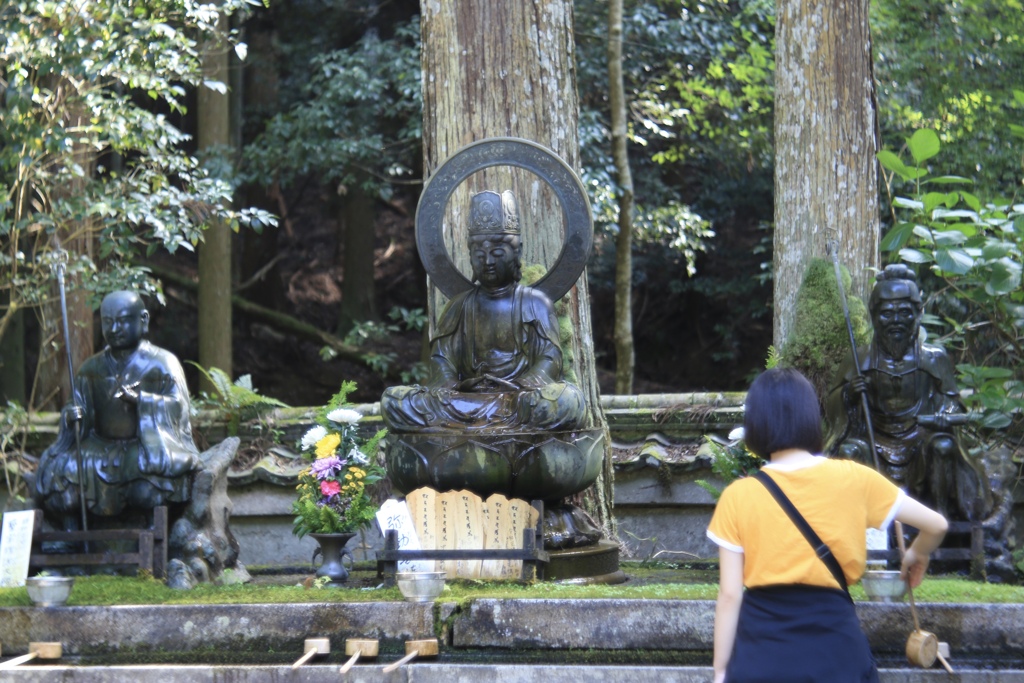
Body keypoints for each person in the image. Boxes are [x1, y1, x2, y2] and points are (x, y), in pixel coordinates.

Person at [708, 367, 948, 683]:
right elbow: (937, 525)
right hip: (836, 651)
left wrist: (721, 670)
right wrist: (917, 554)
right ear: (810, 417)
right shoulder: (855, 479)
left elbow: (729, 595)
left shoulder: (738, 496)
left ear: (756, 423)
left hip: (762, 654)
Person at [381, 189, 586, 432]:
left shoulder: (535, 302)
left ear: (516, 252)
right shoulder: (461, 305)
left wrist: (521, 385)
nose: (487, 261)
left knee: (566, 401)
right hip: (466, 401)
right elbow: (441, 359)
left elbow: (550, 358)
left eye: (497, 253)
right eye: (479, 255)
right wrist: (451, 385)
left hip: (519, 400)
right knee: (395, 400)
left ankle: (473, 427)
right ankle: (485, 425)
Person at [824, 264, 988, 519]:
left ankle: (939, 521)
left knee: (944, 446)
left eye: (905, 313)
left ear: (918, 314)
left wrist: (945, 414)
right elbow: (833, 405)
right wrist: (849, 395)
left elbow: (952, 402)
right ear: (874, 315)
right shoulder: (859, 359)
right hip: (874, 439)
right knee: (849, 452)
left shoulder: (934, 359)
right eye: (887, 314)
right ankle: (860, 524)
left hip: (920, 438)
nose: (896, 321)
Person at [34, 290, 200, 526]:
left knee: (151, 480)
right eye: (108, 322)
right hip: (98, 445)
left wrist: (142, 400)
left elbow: (180, 408)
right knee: (61, 469)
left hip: (142, 446)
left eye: (122, 321)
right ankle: (71, 535)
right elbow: (79, 407)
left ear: (143, 320)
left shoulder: (162, 363)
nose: (114, 329)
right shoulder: (91, 368)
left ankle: (154, 532)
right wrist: (72, 416)